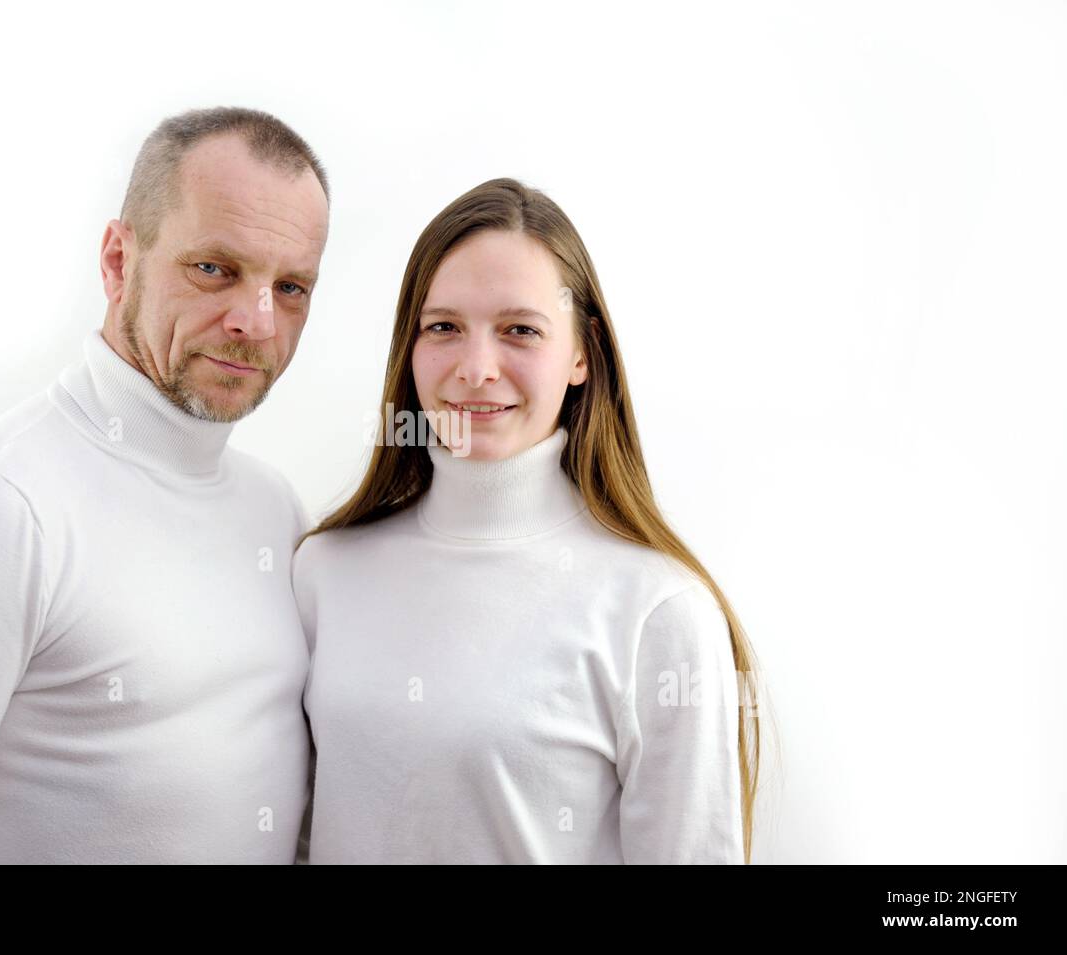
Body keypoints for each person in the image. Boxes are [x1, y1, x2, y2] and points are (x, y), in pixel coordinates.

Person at [0, 106, 330, 863]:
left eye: (293, 286)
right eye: (214, 269)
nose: (256, 320)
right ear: (117, 261)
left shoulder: (276, 511)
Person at [293, 178, 762, 864]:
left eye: (520, 330)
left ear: (581, 353)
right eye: (444, 326)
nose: (477, 368)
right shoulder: (322, 572)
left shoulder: (659, 611)